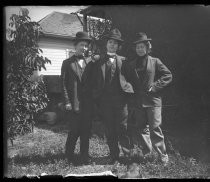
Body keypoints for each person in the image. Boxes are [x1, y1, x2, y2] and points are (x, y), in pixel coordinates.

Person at [92, 28, 137, 164]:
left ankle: (127, 155)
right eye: (110, 42)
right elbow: (92, 80)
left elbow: (132, 79)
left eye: (115, 43)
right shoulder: (98, 61)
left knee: (122, 128)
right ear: (106, 44)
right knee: (110, 129)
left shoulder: (124, 61)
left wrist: (128, 90)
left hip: (121, 101)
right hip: (105, 102)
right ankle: (114, 155)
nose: (112, 45)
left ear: (118, 46)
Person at [128, 32, 172, 165]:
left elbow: (168, 75)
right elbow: (128, 80)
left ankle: (162, 156)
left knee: (155, 128)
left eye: (142, 46)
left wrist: (154, 86)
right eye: (137, 47)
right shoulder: (131, 64)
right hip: (138, 102)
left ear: (147, 47)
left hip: (153, 101)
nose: (139, 49)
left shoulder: (155, 61)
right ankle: (148, 154)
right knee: (141, 128)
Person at [61, 31, 96, 165]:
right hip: (73, 102)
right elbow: (63, 83)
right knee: (74, 130)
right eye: (81, 45)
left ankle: (84, 156)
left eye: (86, 46)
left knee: (86, 130)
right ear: (76, 46)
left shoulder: (90, 63)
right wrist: (67, 102)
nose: (84, 48)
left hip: (87, 103)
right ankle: (69, 155)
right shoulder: (67, 63)